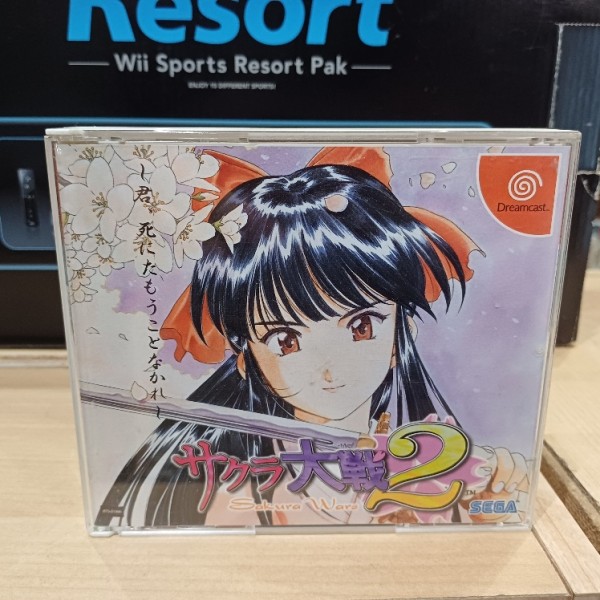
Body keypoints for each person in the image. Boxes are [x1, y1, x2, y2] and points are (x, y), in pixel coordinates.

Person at [96, 147, 525, 528]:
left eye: (362, 325)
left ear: (401, 335)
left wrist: (481, 509)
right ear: (246, 358)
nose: (329, 366)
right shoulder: (247, 490)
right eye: (285, 339)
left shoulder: (415, 452)